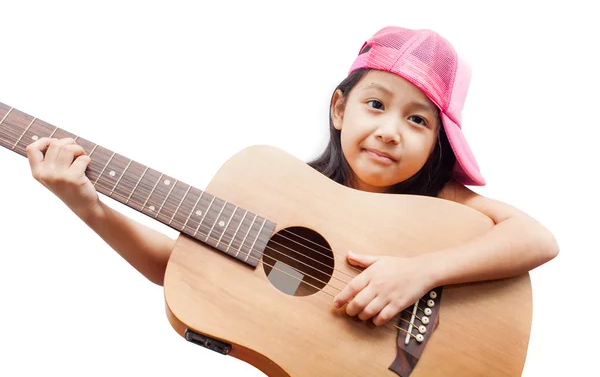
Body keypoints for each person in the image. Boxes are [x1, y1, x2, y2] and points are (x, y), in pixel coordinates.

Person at [25, 26, 559, 328]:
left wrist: (420, 273)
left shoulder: (438, 207)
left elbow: (536, 238)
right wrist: (88, 206)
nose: (391, 131)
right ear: (339, 110)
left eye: (418, 119)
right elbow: (176, 269)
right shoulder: (291, 199)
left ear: (437, 142)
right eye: (376, 104)